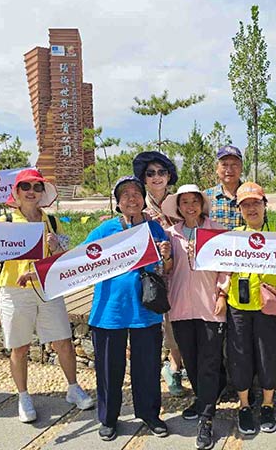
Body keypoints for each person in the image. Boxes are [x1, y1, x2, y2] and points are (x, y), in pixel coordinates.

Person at [0, 168, 94, 423]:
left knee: (63, 341)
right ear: (16, 192)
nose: (31, 192)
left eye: (37, 187)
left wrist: (55, 245)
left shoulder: (51, 221)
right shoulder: (4, 222)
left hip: (48, 289)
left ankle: (73, 387)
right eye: (26, 187)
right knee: (20, 346)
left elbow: (64, 255)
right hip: (15, 290)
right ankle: (23, 395)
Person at [84, 176, 173, 441]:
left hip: (144, 309)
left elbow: (167, 270)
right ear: (118, 203)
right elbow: (78, 262)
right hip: (110, 310)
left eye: (136, 193)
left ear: (143, 199)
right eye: (125, 195)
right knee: (109, 368)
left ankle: (149, 414)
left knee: (147, 367)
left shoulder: (155, 229)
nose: (132, 198)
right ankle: (109, 418)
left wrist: (166, 256)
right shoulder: (104, 230)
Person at [226, 182, 276, 435]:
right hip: (238, 305)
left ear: (265, 205)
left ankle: (268, 404)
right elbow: (220, 268)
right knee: (240, 357)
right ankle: (244, 406)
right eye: (245, 205)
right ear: (239, 210)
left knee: (267, 355)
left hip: (268, 305)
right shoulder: (233, 236)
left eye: (256, 203)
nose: (251, 208)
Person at [161, 184, 230, 450]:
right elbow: (167, 272)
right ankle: (205, 399)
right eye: (185, 202)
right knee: (190, 360)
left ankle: (206, 418)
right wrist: (166, 257)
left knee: (210, 361)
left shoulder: (216, 231)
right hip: (180, 308)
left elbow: (227, 267)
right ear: (178, 207)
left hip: (210, 307)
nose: (190, 206)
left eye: (195, 201)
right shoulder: (171, 235)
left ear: (202, 204)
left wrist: (222, 295)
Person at [132, 151, 185, 397]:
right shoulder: (139, 206)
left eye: (161, 172)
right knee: (169, 325)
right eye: (150, 173)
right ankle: (174, 367)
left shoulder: (180, 203)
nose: (156, 177)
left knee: (187, 320)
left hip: (184, 269)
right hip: (155, 275)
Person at [205, 146, 244, 230]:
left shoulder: (252, 196)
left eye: (234, 165)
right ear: (217, 168)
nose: (229, 170)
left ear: (241, 168)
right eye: (224, 165)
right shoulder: (205, 197)